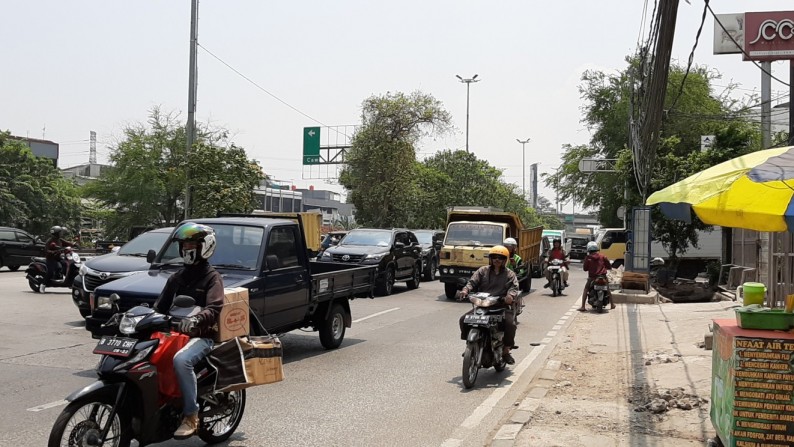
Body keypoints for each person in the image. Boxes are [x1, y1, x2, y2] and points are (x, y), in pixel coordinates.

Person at [153, 223, 224, 439]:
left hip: (202, 336)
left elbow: (215, 308)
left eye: (192, 244)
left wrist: (196, 319)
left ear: (205, 246)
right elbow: (159, 307)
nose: (187, 249)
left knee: (181, 360)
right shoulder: (177, 278)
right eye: (184, 245)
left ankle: (191, 415)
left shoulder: (213, 278)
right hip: (176, 333)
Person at [458, 245, 519, 365]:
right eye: (494, 257)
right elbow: (472, 282)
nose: (497, 260)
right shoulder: (482, 270)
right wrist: (465, 290)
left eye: (500, 257)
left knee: (510, 324)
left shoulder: (509, 274)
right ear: (490, 258)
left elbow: (514, 287)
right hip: (483, 305)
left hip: (500, 306)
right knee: (463, 320)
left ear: (505, 259)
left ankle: (506, 350)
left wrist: (510, 296)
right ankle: (470, 346)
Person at [579, 241, 614, 312]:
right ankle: (612, 304)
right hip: (603, 276)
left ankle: (583, 306)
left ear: (588, 250)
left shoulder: (588, 258)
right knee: (607, 289)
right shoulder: (603, 256)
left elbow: (585, 269)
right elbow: (609, 266)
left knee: (586, 289)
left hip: (592, 278)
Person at [41, 226, 75, 293]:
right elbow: (46, 250)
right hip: (51, 258)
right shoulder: (50, 241)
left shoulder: (59, 239)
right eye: (60, 232)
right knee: (50, 271)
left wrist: (74, 244)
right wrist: (53, 252)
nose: (61, 233)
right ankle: (43, 285)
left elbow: (67, 243)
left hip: (58, 257)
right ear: (56, 233)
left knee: (66, 264)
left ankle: (66, 280)